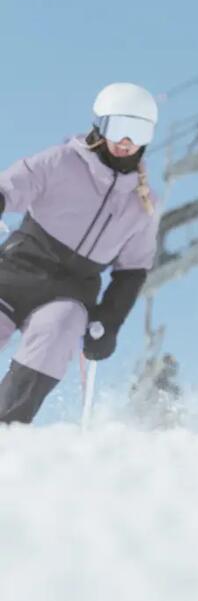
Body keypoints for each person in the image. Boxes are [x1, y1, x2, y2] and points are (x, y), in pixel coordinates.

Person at [0, 83, 162, 423]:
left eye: (138, 131)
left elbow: (132, 270)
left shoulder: (143, 205)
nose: (126, 141)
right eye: (119, 128)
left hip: (72, 290)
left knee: (61, 327)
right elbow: (10, 187)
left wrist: (110, 321)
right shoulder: (62, 161)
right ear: (100, 126)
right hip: (17, 271)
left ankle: (7, 425)